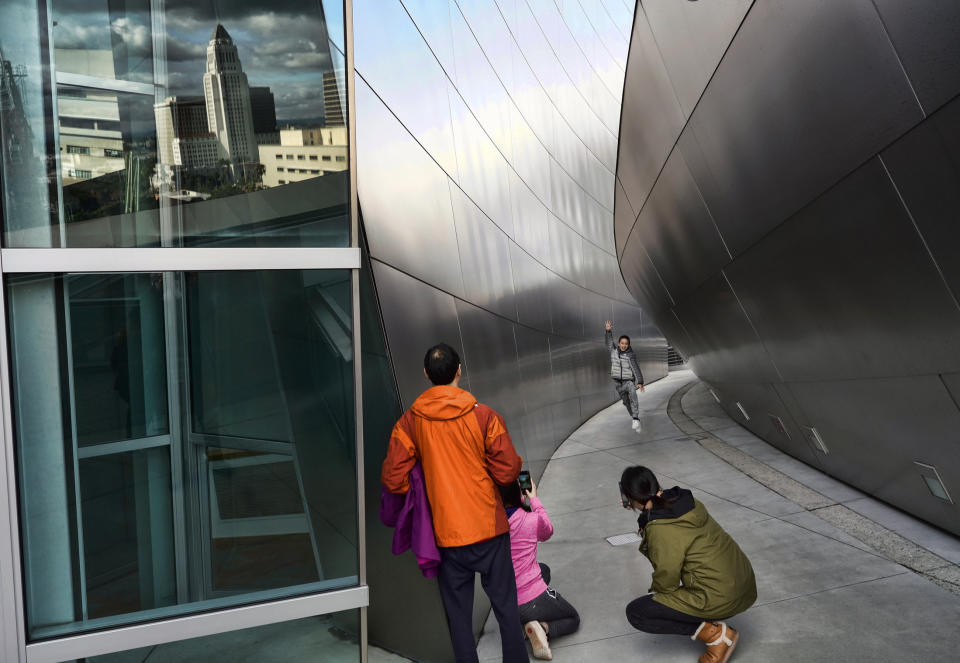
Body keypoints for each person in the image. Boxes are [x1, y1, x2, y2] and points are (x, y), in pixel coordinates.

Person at [381, 343, 528, 663]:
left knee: (459, 619)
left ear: (426, 375)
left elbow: (394, 478)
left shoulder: (409, 423)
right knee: (505, 607)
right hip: (488, 528)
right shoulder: (485, 416)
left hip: (446, 536)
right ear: (459, 369)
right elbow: (507, 471)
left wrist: (422, 485)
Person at [620, 466, 756, 663]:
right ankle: (713, 628)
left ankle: (717, 636)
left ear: (630, 496)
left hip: (720, 596)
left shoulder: (660, 528)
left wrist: (657, 597)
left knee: (638, 612)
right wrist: (645, 520)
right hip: (743, 584)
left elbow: (667, 580)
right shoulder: (686, 502)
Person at [498, 477, 579, 660]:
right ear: (519, 493)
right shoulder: (530, 519)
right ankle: (541, 628)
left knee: (544, 570)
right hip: (530, 598)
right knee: (573, 619)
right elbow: (548, 531)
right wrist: (534, 499)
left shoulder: (492, 522)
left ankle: (527, 620)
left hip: (506, 602)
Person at [604, 320, 645, 431]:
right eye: (622, 343)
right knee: (626, 402)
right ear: (618, 344)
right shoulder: (613, 352)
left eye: (626, 344)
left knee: (633, 395)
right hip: (618, 383)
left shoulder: (630, 355)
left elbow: (635, 368)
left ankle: (635, 418)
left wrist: (640, 382)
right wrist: (608, 331)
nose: (624, 345)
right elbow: (608, 343)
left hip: (628, 381)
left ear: (628, 345)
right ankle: (635, 419)